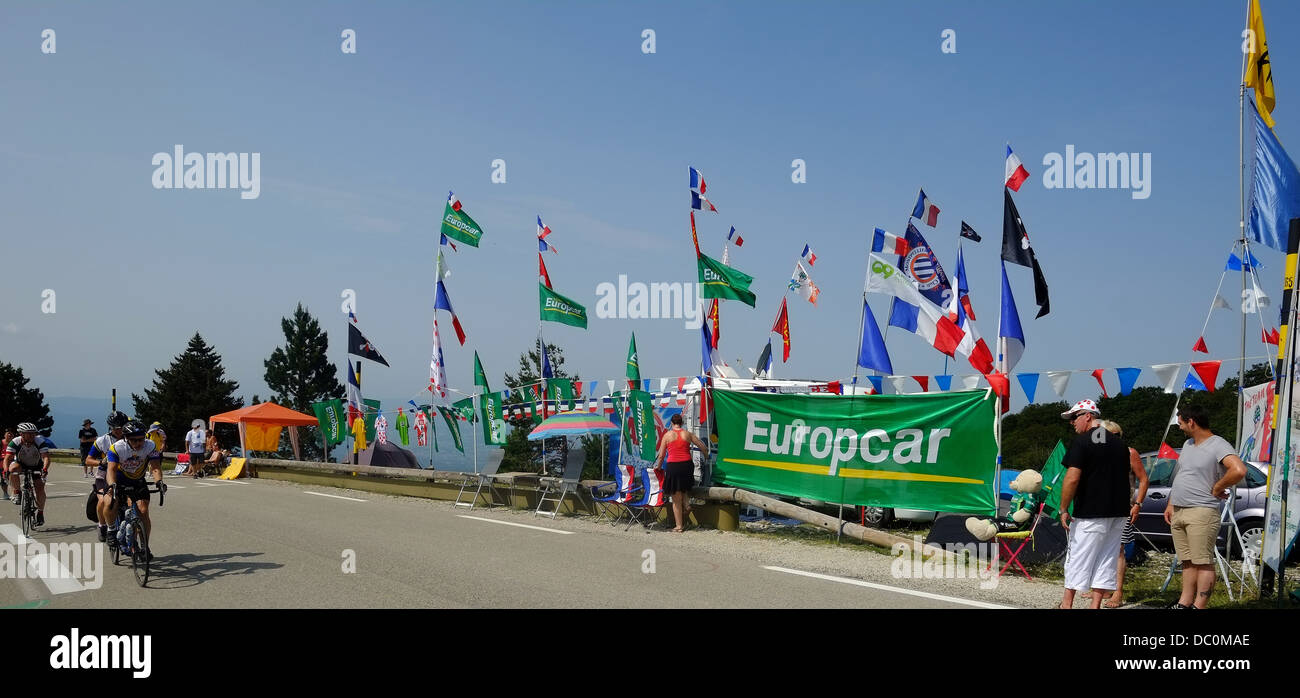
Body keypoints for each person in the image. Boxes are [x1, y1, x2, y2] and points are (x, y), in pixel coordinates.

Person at [1164, 404, 1248, 609]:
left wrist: (1218, 487)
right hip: (1180, 510)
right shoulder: (1188, 444)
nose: (1180, 427)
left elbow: (1238, 470)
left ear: (1191, 421)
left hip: (1202, 511)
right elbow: (1183, 475)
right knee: (1187, 560)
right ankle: (1184, 603)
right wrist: (1171, 503)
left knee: (1202, 561)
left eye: (1181, 423)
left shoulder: (1218, 444)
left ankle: (1199, 606)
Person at [1057, 400, 1132, 609]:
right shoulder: (1120, 444)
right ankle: (1095, 605)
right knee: (1107, 558)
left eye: (1074, 417)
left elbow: (1072, 478)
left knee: (1078, 557)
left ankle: (1066, 604)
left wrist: (1063, 508)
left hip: (1091, 511)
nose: (1072, 423)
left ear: (1088, 416)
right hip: (1118, 511)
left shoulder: (1083, 442)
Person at [1083, 420, 1149, 608]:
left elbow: (1144, 479)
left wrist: (1137, 503)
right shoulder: (1099, 454)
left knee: (1118, 549)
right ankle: (1102, 588)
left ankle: (1117, 592)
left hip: (1122, 508)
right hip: (1099, 507)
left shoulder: (1129, 453)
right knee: (1100, 548)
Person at [106, 419, 166, 559]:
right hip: (119, 479)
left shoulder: (150, 446)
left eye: (141, 439)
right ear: (126, 439)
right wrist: (112, 485)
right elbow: (111, 470)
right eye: (134, 440)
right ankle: (110, 529)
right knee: (111, 503)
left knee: (143, 511)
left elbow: (155, 466)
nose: (139, 443)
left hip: (138, 480)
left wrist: (159, 482)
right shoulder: (117, 448)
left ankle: (145, 546)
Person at [652, 413, 708, 533]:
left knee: (676, 498)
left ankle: (679, 526)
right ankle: (687, 504)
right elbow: (702, 446)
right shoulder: (687, 434)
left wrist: (659, 467)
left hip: (674, 466)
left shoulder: (667, 436)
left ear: (672, 423)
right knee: (682, 487)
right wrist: (707, 456)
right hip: (687, 465)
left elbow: (661, 456)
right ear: (682, 423)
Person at [85, 411, 129, 542]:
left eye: (122, 428)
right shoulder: (102, 440)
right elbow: (88, 460)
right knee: (103, 500)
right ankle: (102, 525)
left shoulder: (130, 437)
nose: (119, 431)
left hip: (124, 473)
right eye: (116, 429)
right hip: (104, 474)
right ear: (110, 427)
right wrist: (100, 462)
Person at [3, 423, 51, 526]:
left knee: (39, 488)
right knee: (13, 469)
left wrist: (45, 469)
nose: (32, 436)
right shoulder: (15, 442)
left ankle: (40, 513)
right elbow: (7, 458)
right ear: (21, 434)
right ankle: (17, 492)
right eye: (29, 434)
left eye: (33, 433)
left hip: (36, 465)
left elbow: (46, 457)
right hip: (21, 464)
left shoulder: (39, 441)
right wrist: (6, 470)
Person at [0, 429, 12, 499]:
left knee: (9, 479)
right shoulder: (1, 443)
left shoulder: (14, 443)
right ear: (4, 435)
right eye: (8, 433)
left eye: (11, 434)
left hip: (10, 464)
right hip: (1, 464)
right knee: (3, 479)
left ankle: (7, 493)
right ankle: (5, 493)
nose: (10, 435)